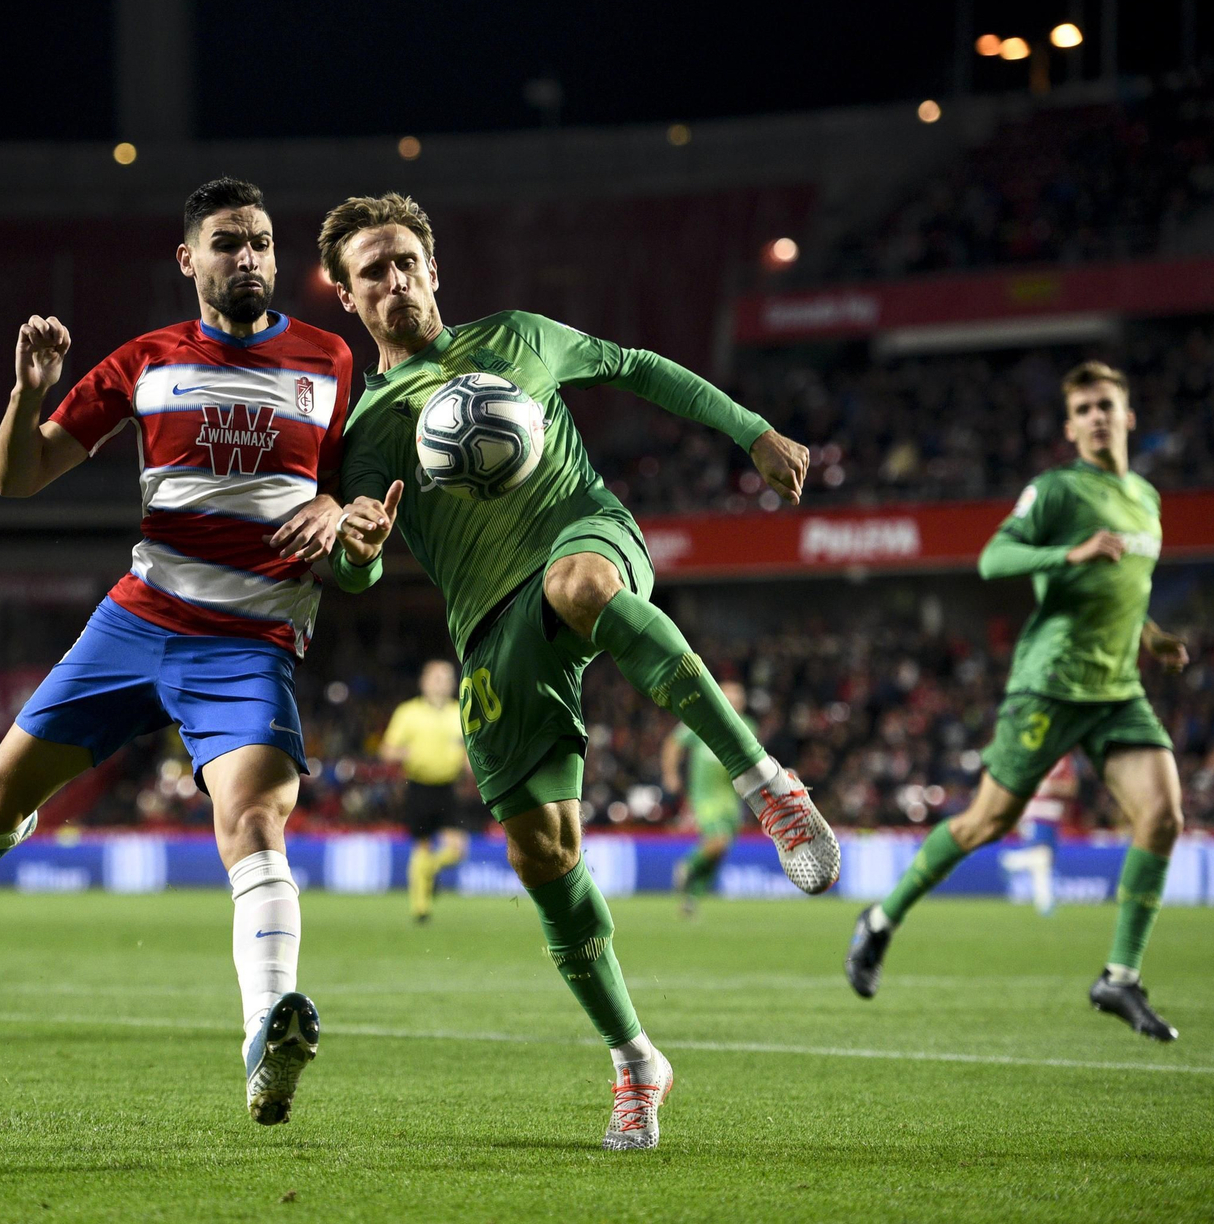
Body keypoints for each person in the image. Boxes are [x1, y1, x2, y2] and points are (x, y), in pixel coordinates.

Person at [316, 192, 839, 1151]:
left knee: (584, 581)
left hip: (583, 533)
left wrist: (751, 431)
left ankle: (770, 785)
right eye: (371, 274)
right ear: (350, 299)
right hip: (488, 629)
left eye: (403, 262)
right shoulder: (363, 433)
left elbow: (635, 368)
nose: (393, 283)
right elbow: (355, 571)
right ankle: (637, 1062)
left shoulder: (518, 338)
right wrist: (358, 549)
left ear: (435, 267)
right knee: (543, 857)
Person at [0, 178, 353, 1124]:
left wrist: (338, 507)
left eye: (262, 242)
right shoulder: (146, 361)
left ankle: (269, 1028)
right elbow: (18, 478)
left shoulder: (331, 360)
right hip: (137, 623)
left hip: (249, 643)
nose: (250, 259)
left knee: (256, 828)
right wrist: (27, 400)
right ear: (189, 261)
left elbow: (363, 492)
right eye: (228, 243)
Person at [845, 361, 1189, 1041]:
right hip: (1049, 688)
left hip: (1118, 690)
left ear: (1128, 417)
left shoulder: (1146, 499)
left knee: (1165, 818)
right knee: (985, 824)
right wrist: (1070, 553)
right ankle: (881, 919)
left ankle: (1118, 979)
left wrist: (1151, 637)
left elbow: (1122, 586)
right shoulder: (1057, 492)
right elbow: (992, 561)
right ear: (1070, 426)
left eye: (1105, 405)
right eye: (1083, 408)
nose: (1095, 416)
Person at [380, 659, 471, 922]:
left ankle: (428, 869)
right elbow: (387, 751)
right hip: (418, 787)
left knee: (457, 849)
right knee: (421, 845)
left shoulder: (460, 712)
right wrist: (407, 752)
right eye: (436, 677)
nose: (441, 683)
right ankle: (421, 909)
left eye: (446, 678)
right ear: (424, 681)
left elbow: (469, 751)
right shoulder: (408, 712)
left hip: (448, 788)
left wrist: (469, 764)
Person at [661, 679, 752, 915]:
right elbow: (672, 744)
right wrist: (671, 774)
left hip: (732, 797)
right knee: (718, 840)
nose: (733, 702)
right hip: (705, 795)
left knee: (721, 850)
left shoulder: (750, 726)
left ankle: (692, 898)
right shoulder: (701, 719)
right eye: (728, 697)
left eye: (737, 698)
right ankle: (687, 865)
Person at [999, 753, 1079, 915]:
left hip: (1054, 814)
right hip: (1035, 812)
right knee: (1042, 856)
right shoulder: (1035, 753)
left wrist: (1048, 786)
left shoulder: (1063, 758)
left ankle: (1044, 903)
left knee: (1044, 861)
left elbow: (1071, 788)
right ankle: (1011, 861)